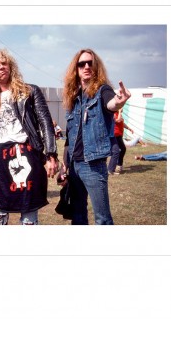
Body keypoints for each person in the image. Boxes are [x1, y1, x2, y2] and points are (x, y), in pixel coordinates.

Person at [0, 49, 58, 225]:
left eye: (4, 63)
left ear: (11, 66)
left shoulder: (29, 91)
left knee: (28, 213)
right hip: (0, 158)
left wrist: (51, 154)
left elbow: (45, 122)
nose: (2, 67)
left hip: (28, 153)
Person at [58, 48, 131, 225]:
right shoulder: (74, 98)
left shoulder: (102, 90)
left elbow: (110, 103)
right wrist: (64, 166)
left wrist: (117, 102)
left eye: (90, 63)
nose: (86, 66)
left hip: (93, 165)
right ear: (76, 69)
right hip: (74, 167)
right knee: (78, 216)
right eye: (82, 63)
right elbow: (70, 138)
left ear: (96, 66)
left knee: (102, 219)